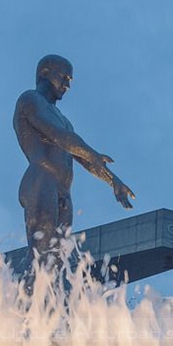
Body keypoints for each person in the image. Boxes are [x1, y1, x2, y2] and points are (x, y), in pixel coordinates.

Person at [14, 54, 135, 258]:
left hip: (63, 191)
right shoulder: (30, 99)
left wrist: (113, 181)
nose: (67, 85)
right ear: (45, 73)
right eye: (64, 78)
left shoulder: (65, 120)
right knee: (41, 255)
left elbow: (81, 156)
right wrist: (92, 154)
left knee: (58, 261)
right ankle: (20, 288)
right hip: (41, 181)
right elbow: (58, 135)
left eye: (69, 81)